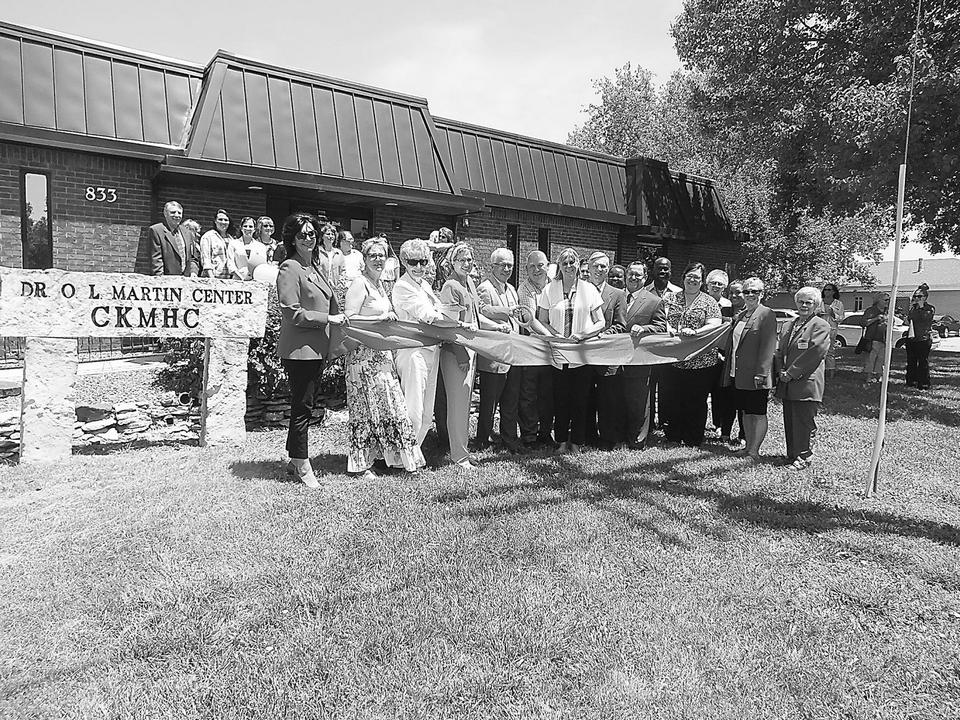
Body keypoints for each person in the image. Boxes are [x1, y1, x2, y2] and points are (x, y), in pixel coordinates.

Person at [343, 236, 425, 476]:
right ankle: (361, 466)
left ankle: (393, 459)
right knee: (365, 410)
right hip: (363, 358)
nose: (378, 260)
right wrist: (377, 319)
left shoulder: (379, 285)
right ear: (364, 259)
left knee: (389, 406)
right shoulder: (360, 284)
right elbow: (349, 318)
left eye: (382, 255)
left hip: (382, 356)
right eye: (373, 256)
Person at [276, 213, 346, 488]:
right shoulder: (289, 268)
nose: (308, 238)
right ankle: (303, 464)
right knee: (303, 407)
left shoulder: (314, 267)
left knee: (304, 405)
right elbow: (292, 312)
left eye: (312, 234)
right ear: (293, 238)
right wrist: (328, 320)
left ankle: (295, 460)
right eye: (302, 234)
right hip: (300, 351)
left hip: (317, 349)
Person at [439, 242, 505, 468]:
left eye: (469, 260)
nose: (467, 264)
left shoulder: (468, 283)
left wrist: (496, 327)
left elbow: (476, 317)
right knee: (458, 405)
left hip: (471, 349)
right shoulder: (450, 286)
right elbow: (449, 325)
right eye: (462, 260)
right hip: (456, 352)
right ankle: (458, 456)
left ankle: (464, 450)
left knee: (466, 405)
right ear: (452, 262)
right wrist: (461, 354)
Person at [537, 247, 604, 453]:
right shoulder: (550, 289)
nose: (568, 266)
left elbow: (600, 322)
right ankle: (561, 441)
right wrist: (554, 335)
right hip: (558, 353)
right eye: (564, 263)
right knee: (560, 400)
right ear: (559, 266)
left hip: (580, 353)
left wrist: (583, 335)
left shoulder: (589, 289)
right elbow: (542, 320)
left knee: (580, 400)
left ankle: (576, 442)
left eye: (572, 262)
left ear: (578, 265)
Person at [392, 238, 445, 452]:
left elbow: (438, 310)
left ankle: (415, 452)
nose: (419, 267)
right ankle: (403, 456)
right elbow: (428, 315)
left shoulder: (425, 285)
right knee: (413, 408)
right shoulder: (403, 286)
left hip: (432, 350)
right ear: (404, 262)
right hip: (413, 352)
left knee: (426, 410)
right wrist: (459, 323)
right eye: (413, 262)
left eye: (423, 261)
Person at [662, 262, 723, 447]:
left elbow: (715, 323)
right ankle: (673, 435)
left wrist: (697, 332)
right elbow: (660, 319)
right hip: (673, 360)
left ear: (703, 281)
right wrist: (669, 329)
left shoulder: (709, 301)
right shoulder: (670, 298)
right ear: (683, 277)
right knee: (674, 398)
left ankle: (693, 437)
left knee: (696, 400)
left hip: (701, 360)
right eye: (690, 275)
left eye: (697, 277)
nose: (693, 279)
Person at [776, 286, 831, 470]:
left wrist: (791, 372)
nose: (804, 305)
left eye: (809, 302)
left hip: (806, 381)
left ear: (816, 305)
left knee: (804, 421)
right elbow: (779, 351)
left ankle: (803, 457)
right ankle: (792, 454)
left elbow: (815, 352)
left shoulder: (820, 325)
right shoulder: (788, 325)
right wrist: (780, 371)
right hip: (787, 381)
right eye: (801, 301)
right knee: (790, 420)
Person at [722, 277, 777, 461]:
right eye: (747, 291)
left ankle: (754, 450)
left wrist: (761, 373)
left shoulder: (767, 314)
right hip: (739, 373)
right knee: (745, 411)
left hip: (757, 375)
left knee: (757, 412)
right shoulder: (742, 314)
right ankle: (747, 447)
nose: (750, 295)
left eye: (755, 291)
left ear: (762, 294)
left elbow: (768, 346)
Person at [476, 248, 523, 452]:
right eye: (502, 264)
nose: (506, 269)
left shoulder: (511, 289)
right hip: (493, 356)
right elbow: (480, 315)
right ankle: (482, 440)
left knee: (510, 401)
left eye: (510, 265)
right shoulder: (485, 288)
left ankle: (509, 438)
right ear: (492, 266)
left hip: (512, 354)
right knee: (489, 403)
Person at [621, 261, 667, 449]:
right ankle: (618, 435)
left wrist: (645, 328)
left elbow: (662, 327)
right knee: (618, 399)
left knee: (639, 402)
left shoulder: (654, 300)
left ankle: (638, 440)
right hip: (614, 359)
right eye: (630, 274)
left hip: (639, 360)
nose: (633, 278)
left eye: (638, 275)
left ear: (645, 277)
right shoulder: (617, 296)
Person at [587, 251, 627, 449]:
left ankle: (608, 438)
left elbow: (621, 324)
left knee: (608, 400)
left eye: (603, 266)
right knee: (585, 397)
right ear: (588, 267)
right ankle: (587, 435)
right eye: (596, 266)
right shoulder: (579, 291)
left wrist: (603, 335)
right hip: (583, 355)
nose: (599, 270)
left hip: (607, 355)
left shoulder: (617, 294)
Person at [516, 250, 555, 448]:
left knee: (548, 394)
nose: (537, 270)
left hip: (553, 351)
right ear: (526, 269)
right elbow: (530, 320)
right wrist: (554, 338)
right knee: (529, 395)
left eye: (540, 265)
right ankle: (530, 436)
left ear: (548, 265)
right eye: (532, 266)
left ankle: (546, 433)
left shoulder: (556, 285)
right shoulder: (524, 289)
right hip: (532, 349)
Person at [644, 256, 681, 431]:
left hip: (671, 347)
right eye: (659, 268)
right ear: (653, 270)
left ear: (671, 271)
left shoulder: (679, 293)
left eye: (666, 269)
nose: (663, 272)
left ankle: (666, 422)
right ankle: (649, 422)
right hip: (650, 347)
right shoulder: (645, 292)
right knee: (649, 385)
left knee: (668, 386)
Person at [705, 269, 733, 440]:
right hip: (703, 351)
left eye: (720, 284)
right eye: (713, 283)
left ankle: (718, 424)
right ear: (707, 285)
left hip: (722, 354)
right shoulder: (700, 301)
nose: (716, 286)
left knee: (719, 391)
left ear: (724, 287)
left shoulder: (728, 305)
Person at [149, 200, 199, 276]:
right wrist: (160, 280)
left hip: (186, 281)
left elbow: (193, 258)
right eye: (173, 212)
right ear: (165, 213)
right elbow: (156, 260)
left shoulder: (187, 233)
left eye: (179, 213)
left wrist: (193, 272)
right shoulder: (156, 230)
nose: (176, 215)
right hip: (167, 281)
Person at [904, 283, 935, 390]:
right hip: (912, 338)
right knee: (911, 361)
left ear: (925, 298)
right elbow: (909, 320)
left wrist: (921, 306)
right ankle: (911, 381)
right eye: (915, 296)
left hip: (923, 339)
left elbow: (926, 318)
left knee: (922, 361)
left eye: (919, 297)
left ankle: (924, 383)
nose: (916, 298)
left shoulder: (930, 308)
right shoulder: (913, 309)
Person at [227, 216, 269, 281]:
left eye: (250, 226)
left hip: (255, 280)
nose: (248, 228)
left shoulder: (261, 247)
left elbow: (263, 265)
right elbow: (230, 264)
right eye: (245, 226)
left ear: (254, 229)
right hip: (237, 280)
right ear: (241, 228)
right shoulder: (233, 244)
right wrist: (242, 278)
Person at [862, 293, 889, 385]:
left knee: (882, 359)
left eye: (888, 300)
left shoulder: (888, 311)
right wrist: (876, 318)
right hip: (872, 338)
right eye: (885, 300)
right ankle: (869, 376)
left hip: (885, 339)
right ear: (878, 300)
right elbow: (863, 323)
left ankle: (879, 376)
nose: (887, 302)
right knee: (871, 358)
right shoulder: (870, 310)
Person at [821, 283, 845, 379]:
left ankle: (831, 373)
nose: (826, 291)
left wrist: (833, 314)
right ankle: (820, 372)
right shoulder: (819, 302)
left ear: (833, 292)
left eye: (829, 289)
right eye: (825, 289)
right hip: (820, 329)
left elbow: (841, 318)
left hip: (832, 329)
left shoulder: (838, 304)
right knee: (819, 350)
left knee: (830, 351)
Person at [199, 209, 232, 279]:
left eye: (226, 220)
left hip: (229, 279)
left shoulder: (231, 239)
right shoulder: (208, 236)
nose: (223, 222)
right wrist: (212, 279)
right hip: (212, 278)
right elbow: (206, 259)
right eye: (220, 219)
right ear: (215, 221)